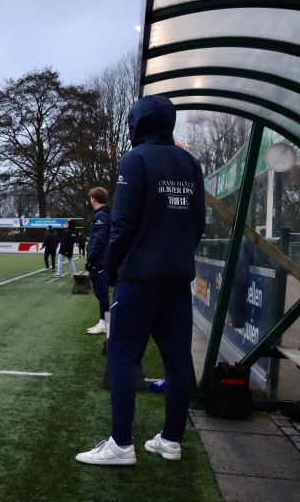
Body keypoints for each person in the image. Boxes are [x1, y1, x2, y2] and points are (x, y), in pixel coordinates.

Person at [76, 95, 205, 466]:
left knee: (122, 355)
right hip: (177, 277)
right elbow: (198, 222)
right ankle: (171, 440)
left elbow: (123, 223)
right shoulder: (189, 162)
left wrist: (113, 268)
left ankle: (120, 444)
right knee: (178, 359)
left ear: (137, 124)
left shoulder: (136, 159)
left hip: (140, 277)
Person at [84, 187, 111, 335]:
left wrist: (90, 258)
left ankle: (105, 324)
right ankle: (104, 322)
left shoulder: (101, 216)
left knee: (102, 293)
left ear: (94, 199)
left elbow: (98, 240)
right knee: (102, 293)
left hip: (100, 261)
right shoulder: (105, 214)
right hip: (103, 259)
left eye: (90, 198)